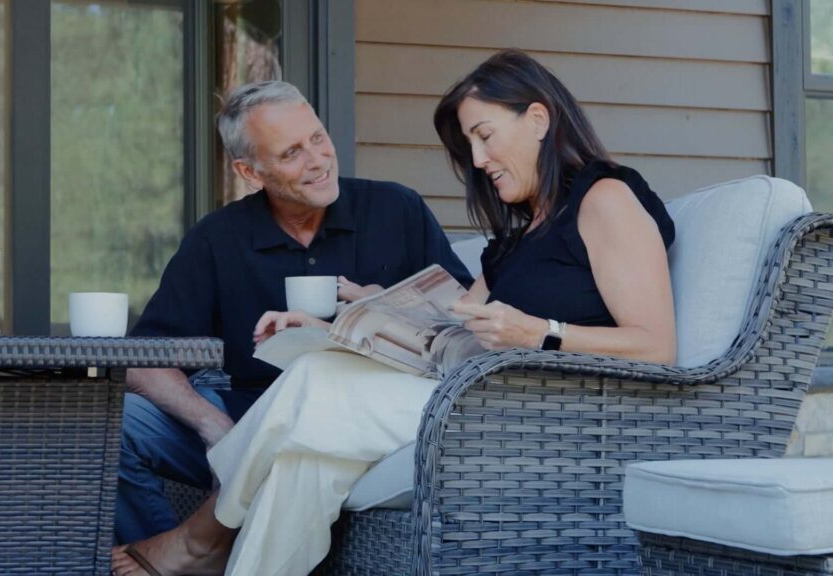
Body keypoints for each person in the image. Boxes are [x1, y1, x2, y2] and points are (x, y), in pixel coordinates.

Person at [111, 49, 676, 576]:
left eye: (483, 137)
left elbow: (657, 346)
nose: (477, 161)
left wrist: (540, 333)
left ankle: (201, 538)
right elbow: (450, 327)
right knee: (301, 465)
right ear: (250, 172)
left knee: (316, 376)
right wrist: (355, 317)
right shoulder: (522, 231)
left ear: (537, 118)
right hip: (461, 383)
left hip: (518, 406)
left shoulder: (605, 198)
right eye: (470, 145)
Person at [115, 80, 473, 545]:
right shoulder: (218, 238)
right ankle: (164, 556)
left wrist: (379, 304)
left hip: (361, 419)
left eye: (318, 139)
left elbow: (465, 324)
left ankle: (195, 549)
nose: (319, 161)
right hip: (247, 412)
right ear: (250, 171)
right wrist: (214, 427)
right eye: (291, 154)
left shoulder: (395, 208)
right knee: (114, 427)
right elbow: (146, 358)